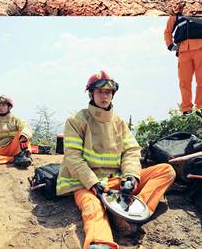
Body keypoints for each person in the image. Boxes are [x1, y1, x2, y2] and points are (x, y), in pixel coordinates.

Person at [56, 71, 176, 249]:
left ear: (113, 95)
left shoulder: (119, 122)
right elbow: (73, 158)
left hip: (114, 179)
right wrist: (93, 184)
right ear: (91, 94)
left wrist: (131, 177)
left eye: (108, 92)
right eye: (100, 92)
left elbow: (131, 151)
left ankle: (128, 215)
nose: (104, 96)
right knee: (92, 205)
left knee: (166, 171)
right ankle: (100, 242)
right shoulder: (76, 120)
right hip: (86, 183)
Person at [0, 95, 32, 167]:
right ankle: (14, 159)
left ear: (9, 107)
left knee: (23, 134)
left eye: (3, 105)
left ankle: (24, 156)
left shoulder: (15, 119)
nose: (0, 107)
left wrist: (24, 136)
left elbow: (26, 127)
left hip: (13, 148)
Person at [165, 16, 202, 116]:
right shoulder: (176, 15)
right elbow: (168, 31)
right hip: (183, 51)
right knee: (184, 81)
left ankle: (201, 106)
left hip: (200, 48)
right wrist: (170, 45)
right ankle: (186, 109)